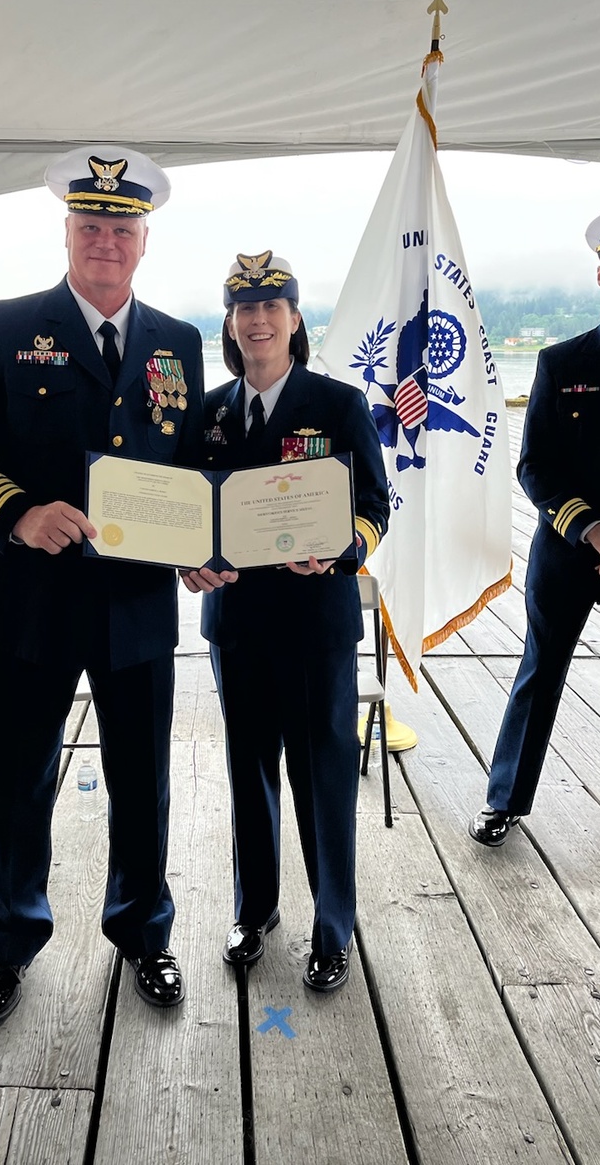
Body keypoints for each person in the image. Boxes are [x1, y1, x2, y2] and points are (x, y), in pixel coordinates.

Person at [0, 147, 232, 1023]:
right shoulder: (3, 324)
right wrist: (16, 512)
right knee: (18, 783)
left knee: (144, 780)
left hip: (137, 606)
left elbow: (191, 470)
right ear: (67, 233)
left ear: (144, 243)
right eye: (91, 225)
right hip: (31, 601)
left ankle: (144, 933)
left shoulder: (178, 341)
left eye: (122, 228)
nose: (106, 241)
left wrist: (200, 546)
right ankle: (9, 943)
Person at [198, 252, 389, 991]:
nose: (258, 318)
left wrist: (343, 549)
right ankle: (256, 909)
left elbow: (374, 503)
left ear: (295, 317)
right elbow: (191, 508)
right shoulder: (211, 412)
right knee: (250, 774)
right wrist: (187, 560)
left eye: (272, 305)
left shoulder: (338, 405)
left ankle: (333, 926)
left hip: (316, 624)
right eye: (244, 307)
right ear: (231, 322)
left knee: (322, 778)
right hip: (237, 625)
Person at [470, 205, 600, 863]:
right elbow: (534, 465)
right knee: (540, 670)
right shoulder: (561, 362)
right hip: (567, 554)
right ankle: (504, 799)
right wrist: (596, 534)